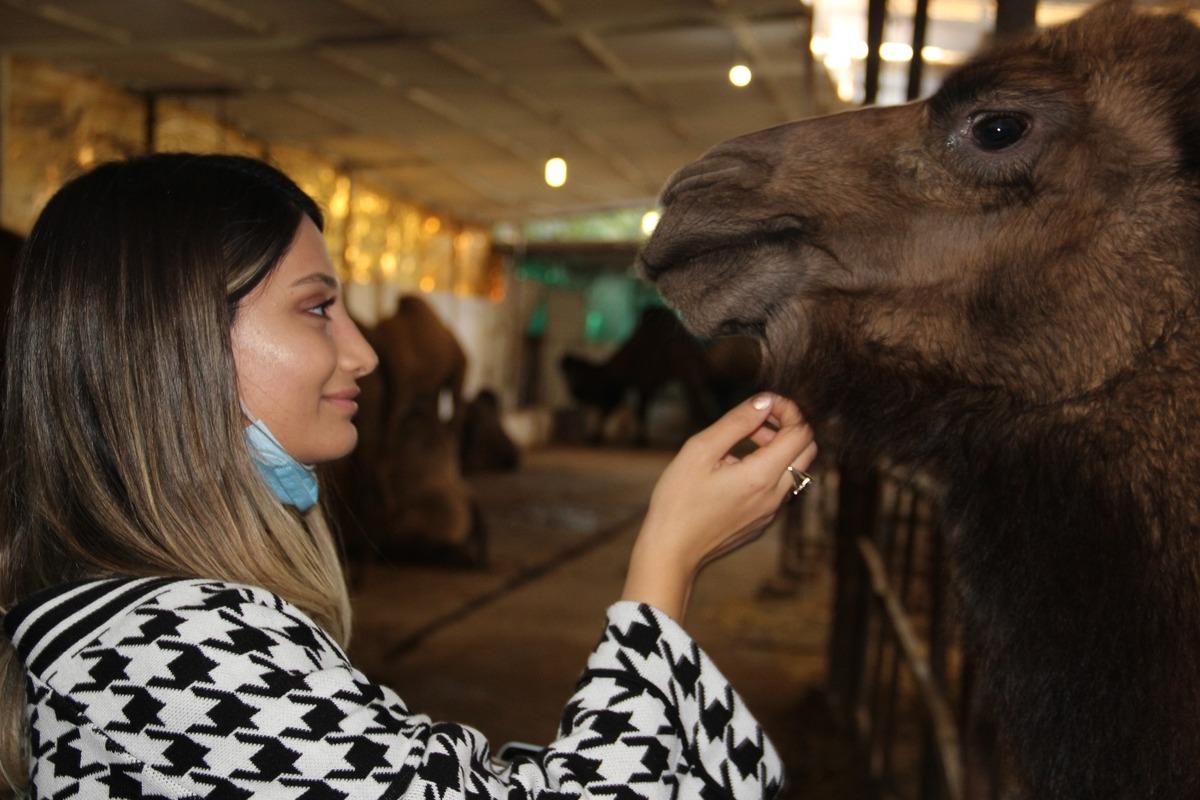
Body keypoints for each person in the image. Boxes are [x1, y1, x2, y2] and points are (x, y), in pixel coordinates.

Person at [0, 154, 818, 799]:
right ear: (177, 343)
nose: (363, 353)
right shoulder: (171, 653)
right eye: (316, 308)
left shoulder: (141, 632)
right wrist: (667, 559)